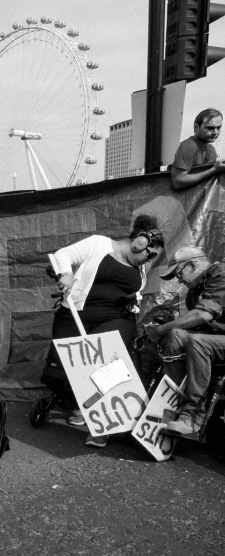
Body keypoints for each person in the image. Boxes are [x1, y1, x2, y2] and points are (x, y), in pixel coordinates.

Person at [42, 215, 164, 448]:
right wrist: (66, 274)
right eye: (149, 255)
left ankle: (102, 427)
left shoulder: (139, 268)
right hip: (76, 313)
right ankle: (82, 406)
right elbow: (63, 255)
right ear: (138, 243)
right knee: (60, 369)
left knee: (105, 361)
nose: (149, 261)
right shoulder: (99, 244)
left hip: (116, 318)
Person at [145, 247, 225, 435]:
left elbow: (203, 315)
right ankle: (171, 404)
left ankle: (193, 414)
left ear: (192, 264)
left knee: (198, 342)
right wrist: (166, 330)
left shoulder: (221, 273)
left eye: (179, 273)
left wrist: (162, 329)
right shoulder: (195, 292)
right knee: (176, 334)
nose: (179, 280)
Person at [170, 108, 225, 191]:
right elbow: (177, 182)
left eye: (218, 128)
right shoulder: (188, 146)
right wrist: (214, 170)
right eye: (210, 128)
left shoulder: (211, 150)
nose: (215, 132)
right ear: (196, 127)